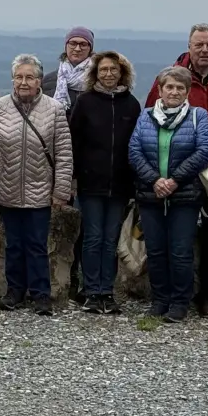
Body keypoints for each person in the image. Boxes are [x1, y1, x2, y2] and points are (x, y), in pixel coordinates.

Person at [146, 23, 208, 317]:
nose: (204, 50)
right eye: (199, 44)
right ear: (189, 46)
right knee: (174, 237)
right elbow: (150, 118)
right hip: (175, 174)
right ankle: (174, 294)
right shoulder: (170, 78)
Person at [0, 54, 74, 315]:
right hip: (8, 187)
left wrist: (60, 190)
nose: (24, 82)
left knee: (36, 244)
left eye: (30, 77)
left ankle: (41, 295)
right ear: (13, 80)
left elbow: (64, 153)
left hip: (40, 190)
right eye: (19, 77)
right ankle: (14, 292)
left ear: (39, 81)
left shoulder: (55, 109)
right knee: (13, 244)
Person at [128, 66, 208, 321]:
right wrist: (155, 180)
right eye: (169, 87)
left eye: (179, 87)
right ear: (160, 90)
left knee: (180, 251)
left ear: (187, 91)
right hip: (150, 195)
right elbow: (134, 151)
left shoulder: (199, 116)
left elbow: (204, 151)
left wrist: (174, 180)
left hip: (185, 196)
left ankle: (179, 302)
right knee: (155, 250)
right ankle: (159, 299)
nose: (174, 91)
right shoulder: (145, 116)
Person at [67, 51, 140, 314]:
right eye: (103, 70)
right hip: (90, 182)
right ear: (95, 74)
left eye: (113, 69)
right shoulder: (85, 102)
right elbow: (73, 142)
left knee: (111, 240)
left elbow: (136, 146)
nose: (108, 74)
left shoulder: (131, 105)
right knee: (92, 237)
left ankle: (106, 291)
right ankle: (91, 290)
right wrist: (73, 178)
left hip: (120, 184)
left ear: (123, 73)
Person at [48, 27, 95, 111]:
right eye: (73, 43)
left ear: (90, 49)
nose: (77, 49)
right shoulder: (48, 80)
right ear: (66, 46)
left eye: (83, 44)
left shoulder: (98, 79)